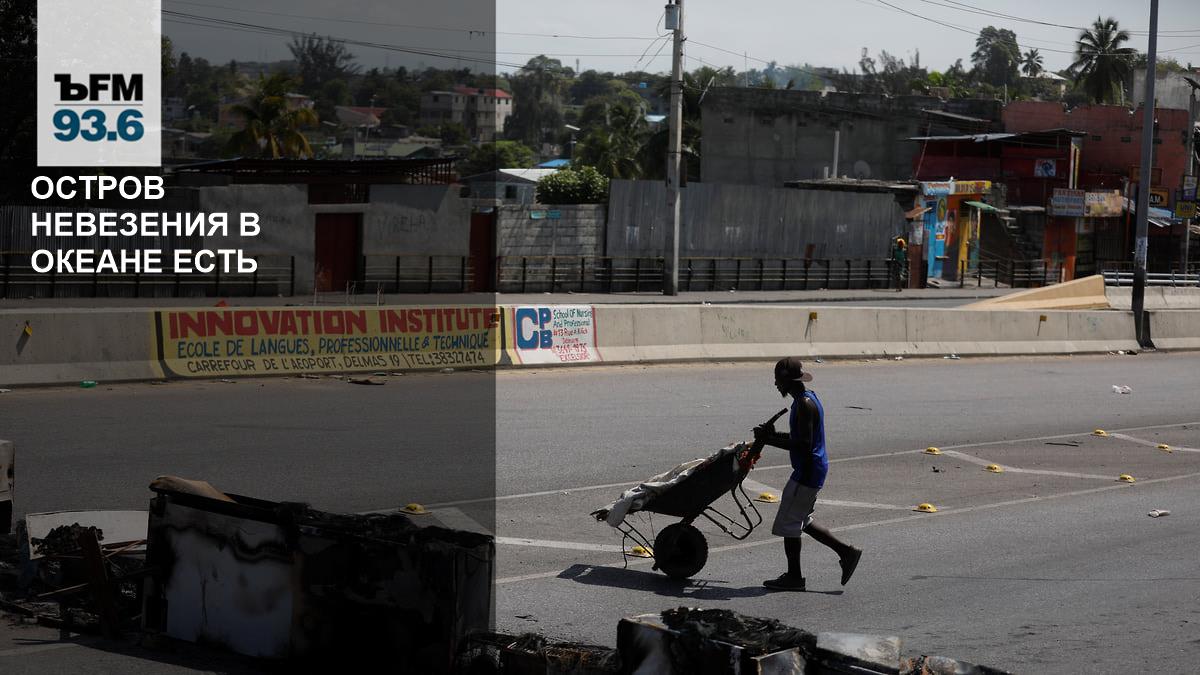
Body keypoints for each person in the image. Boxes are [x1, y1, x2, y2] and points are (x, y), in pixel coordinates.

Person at [754, 357, 862, 592]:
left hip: (808, 471)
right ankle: (847, 552)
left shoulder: (804, 404)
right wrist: (772, 435)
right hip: (813, 468)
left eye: (776, 380)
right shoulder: (807, 398)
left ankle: (794, 577)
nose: (775, 385)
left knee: (790, 522)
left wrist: (769, 440)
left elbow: (802, 444)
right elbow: (800, 437)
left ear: (785, 381)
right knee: (802, 519)